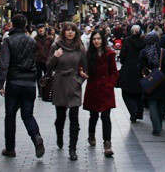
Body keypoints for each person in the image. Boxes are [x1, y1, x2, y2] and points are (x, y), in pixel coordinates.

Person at [0, 14, 45, 159]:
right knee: (27, 114)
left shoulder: (8, 41)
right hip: (30, 83)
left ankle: (10, 148)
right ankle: (36, 136)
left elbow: (4, 64)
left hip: (14, 82)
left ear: (12, 24)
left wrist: (1, 83)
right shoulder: (32, 41)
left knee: (10, 115)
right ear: (25, 25)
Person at [47, 22, 88, 161]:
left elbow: (86, 69)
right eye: (67, 30)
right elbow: (49, 66)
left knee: (74, 118)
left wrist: (79, 82)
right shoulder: (56, 46)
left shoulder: (80, 48)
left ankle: (72, 149)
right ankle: (59, 135)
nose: (70, 32)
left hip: (74, 84)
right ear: (63, 32)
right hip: (60, 83)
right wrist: (56, 56)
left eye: (73, 30)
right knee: (61, 116)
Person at [83, 30, 119, 158]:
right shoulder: (88, 55)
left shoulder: (109, 54)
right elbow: (83, 68)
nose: (96, 41)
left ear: (102, 40)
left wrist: (110, 84)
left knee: (105, 116)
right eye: (94, 39)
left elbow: (114, 72)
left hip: (106, 89)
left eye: (98, 38)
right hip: (93, 88)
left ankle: (107, 144)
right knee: (93, 115)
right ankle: (91, 134)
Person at [138, 32, 165, 136]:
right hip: (162, 80)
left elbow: (140, 67)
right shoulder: (163, 52)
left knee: (152, 104)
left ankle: (156, 128)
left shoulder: (144, 52)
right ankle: (159, 124)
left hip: (150, 81)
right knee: (161, 103)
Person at [118, 25, 146, 122]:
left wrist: (123, 62)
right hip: (139, 70)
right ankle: (138, 112)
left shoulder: (127, 41)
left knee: (126, 91)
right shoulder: (143, 42)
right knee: (138, 92)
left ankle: (133, 110)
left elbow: (122, 55)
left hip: (128, 70)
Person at [34, 24, 54, 94]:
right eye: (39, 28)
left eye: (42, 28)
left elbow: (52, 49)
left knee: (48, 76)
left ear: (44, 29)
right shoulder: (35, 39)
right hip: (38, 60)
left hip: (47, 60)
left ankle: (47, 90)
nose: (41, 30)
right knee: (38, 76)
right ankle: (40, 91)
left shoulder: (49, 39)